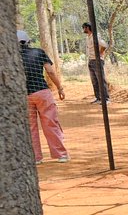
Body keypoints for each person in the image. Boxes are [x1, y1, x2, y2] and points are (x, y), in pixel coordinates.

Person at [19, 29, 69, 163]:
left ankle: (36, 158)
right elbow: (50, 72)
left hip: (24, 95)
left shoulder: (13, 57)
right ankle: (61, 155)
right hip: (42, 92)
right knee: (50, 123)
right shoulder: (38, 52)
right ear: (28, 41)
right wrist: (59, 87)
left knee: (31, 128)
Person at [81, 22, 109, 103]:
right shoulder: (88, 37)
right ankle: (98, 98)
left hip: (97, 60)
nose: (83, 29)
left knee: (101, 80)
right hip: (91, 60)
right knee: (94, 81)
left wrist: (99, 54)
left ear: (87, 28)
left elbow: (104, 45)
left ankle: (106, 99)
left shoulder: (95, 36)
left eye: (84, 27)